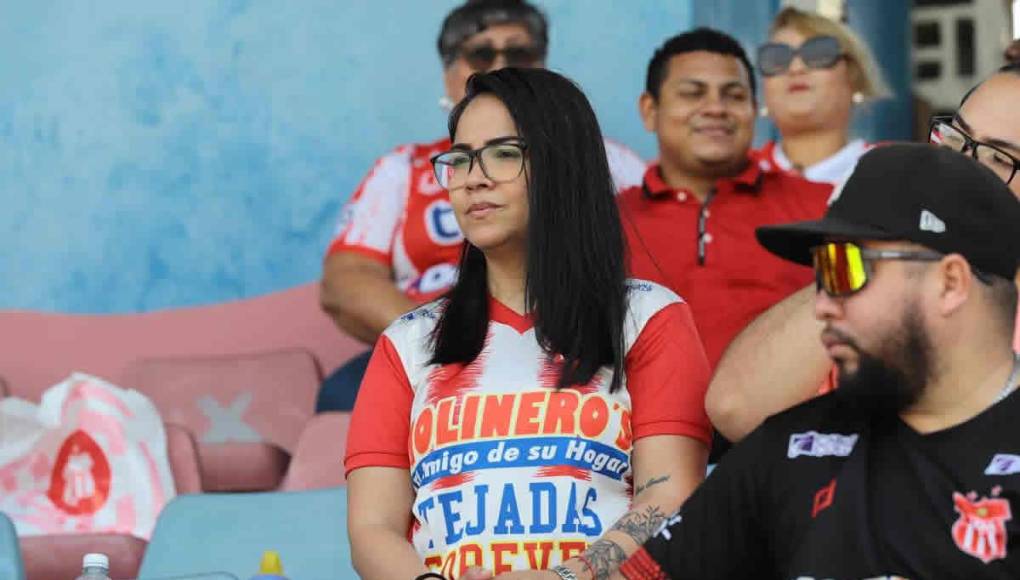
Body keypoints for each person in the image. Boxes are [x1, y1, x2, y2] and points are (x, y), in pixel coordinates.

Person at [345, 68, 711, 580]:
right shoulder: (408, 343)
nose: (473, 178)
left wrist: (568, 577)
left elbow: (669, 495)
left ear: (565, 166)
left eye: (503, 153)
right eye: (460, 159)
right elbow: (373, 528)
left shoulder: (648, 318)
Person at [620, 143, 1020, 579]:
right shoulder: (790, 448)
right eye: (821, 272)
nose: (822, 305)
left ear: (950, 283)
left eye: (845, 267)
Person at [317, 0, 646, 412]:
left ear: (542, 66)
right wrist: (446, 341)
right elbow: (345, 283)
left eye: (520, 54)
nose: (501, 66)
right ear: (449, 75)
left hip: (571, 339)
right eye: (481, 54)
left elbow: (644, 261)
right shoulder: (403, 169)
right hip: (434, 345)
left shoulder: (605, 159)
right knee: (343, 394)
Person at [707, 63, 1020, 443]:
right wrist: (880, 251)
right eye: (955, 139)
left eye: (999, 158)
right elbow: (735, 409)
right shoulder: (890, 264)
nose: (959, 166)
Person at [619, 28, 831, 373]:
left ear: (753, 109)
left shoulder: (823, 209)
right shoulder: (606, 222)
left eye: (734, 96)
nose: (716, 108)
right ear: (649, 110)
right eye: (693, 94)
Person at [754, 7, 889, 185]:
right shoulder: (730, 179)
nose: (796, 68)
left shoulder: (897, 172)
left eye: (818, 53)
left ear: (854, 75)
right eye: (776, 58)